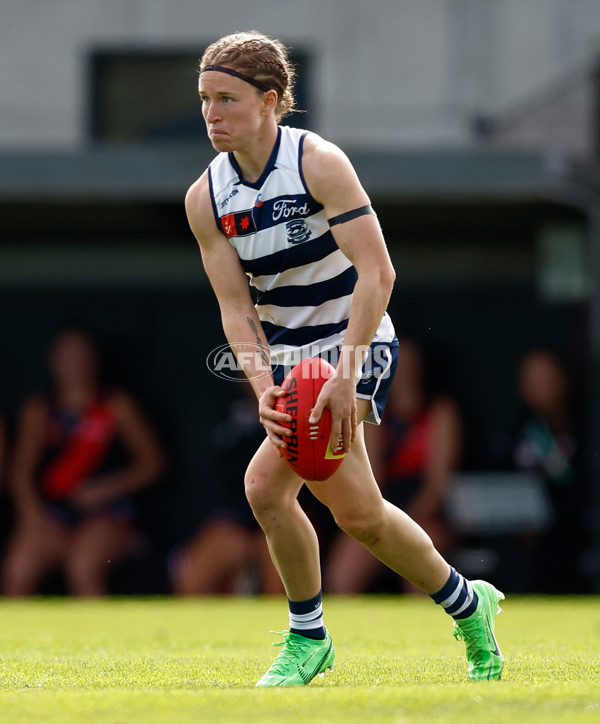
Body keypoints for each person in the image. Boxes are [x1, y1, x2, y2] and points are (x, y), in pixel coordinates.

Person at [185, 30, 504, 686]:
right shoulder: (205, 199)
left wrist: (347, 373)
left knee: (264, 487)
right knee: (358, 513)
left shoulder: (318, 163)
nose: (211, 114)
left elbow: (378, 273)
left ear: (271, 101)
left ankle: (309, 639)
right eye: (204, 100)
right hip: (290, 360)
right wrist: (264, 388)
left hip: (356, 339)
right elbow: (236, 310)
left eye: (226, 99)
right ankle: (470, 605)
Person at [2, 327, 165, 596]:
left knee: (83, 565)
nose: (73, 363)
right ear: (52, 360)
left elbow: (153, 464)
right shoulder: (39, 409)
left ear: (94, 360)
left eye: (80, 355)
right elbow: (20, 474)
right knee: (19, 569)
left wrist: (105, 489)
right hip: (53, 513)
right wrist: (31, 516)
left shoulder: (117, 405)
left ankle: (100, 639)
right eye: (66, 355)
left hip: (108, 514)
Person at [324, 338, 462, 593]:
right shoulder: (374, 412)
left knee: (421, 579)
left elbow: (437, 485)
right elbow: (371, 476)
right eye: (399, 364)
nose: (405, 372)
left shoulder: (440, 411)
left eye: (412, 365)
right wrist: (379, 520)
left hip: (427, 511)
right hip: (382, 506)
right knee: (340, 578)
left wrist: (404, 525)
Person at [170, 382, 283, 595]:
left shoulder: (298, 403)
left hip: (286, 508)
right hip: (236, 516)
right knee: (192, 579)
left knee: (278, 587)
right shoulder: (230, 408)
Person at [511, 349, 584, 592]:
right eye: (531, 382)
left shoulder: (586, 427)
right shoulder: (516, 430)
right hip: (520, 532)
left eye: (546, 380)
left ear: (565, 380)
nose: (539, 390)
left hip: (569, 529)